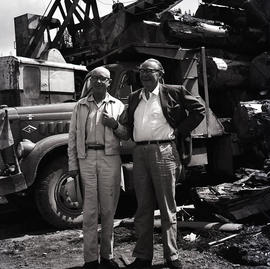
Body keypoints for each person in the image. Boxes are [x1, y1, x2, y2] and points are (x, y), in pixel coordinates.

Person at [125, 58, 205, 268]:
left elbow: (199, 110)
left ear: (160, 73)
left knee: (167, 206)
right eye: (141, 71)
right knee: (143, 207)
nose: (144, 74)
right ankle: (143, 257)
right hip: (140, 153)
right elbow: (127, 124)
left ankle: (172, 256)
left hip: (164, 150)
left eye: (149, 71)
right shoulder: (134, 97)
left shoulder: (174, 91)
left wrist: (180, 130)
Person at [68, 66, 129, 269]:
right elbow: (73, 137)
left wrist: (114, 125)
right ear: (90, 81)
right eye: (94, 78)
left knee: (109, 209)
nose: (98, 81)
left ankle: (108, 256)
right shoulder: (80, 106)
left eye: (102, 79)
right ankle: (91, 260)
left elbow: (125, 134)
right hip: (86, 159)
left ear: (109, 82)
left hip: (109, 158)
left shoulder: (118, 106)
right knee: (90, 210)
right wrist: (73, 164)